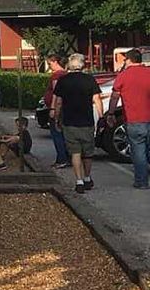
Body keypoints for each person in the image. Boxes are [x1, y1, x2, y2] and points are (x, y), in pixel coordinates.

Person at [52, 52, 103, 193]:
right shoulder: (89, 80)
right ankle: (87, 177)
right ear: (82, 65)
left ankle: (79, 181)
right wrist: (101, 116)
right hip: (86, 121)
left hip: (69, 121)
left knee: (75, 152)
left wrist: (56, 117)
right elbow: (97, 99)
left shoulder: (63, 80)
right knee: (87, 153)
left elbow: (59, 102)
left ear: (70, 64)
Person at [107, 48, 150, 189]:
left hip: (133, 119)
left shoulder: (124, 76)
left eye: (125, 59)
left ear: (129, 60)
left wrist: (111, 114)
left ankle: (142, 182)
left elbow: (114, 97)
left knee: (138, 152)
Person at [43, 53, 70, 169]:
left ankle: (61, 159)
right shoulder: (66, 74)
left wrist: (53, 108)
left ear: (55, 62)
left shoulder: (56, 76)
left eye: (50, 64)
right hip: (66, 107)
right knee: (64, 133)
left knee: (57, 133)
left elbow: (56, 92)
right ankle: (66, 157)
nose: (49, 67)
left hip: (57, 108)